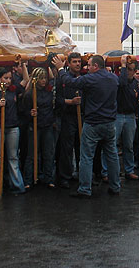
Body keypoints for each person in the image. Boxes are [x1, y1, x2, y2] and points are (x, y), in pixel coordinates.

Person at [51, 54, 121, 198]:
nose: (86, 67)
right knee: (112, 155)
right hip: (109, 122)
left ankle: (84, 188)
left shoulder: (91, 78)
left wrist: (60, 69)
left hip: (93, 122)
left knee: (86, 156)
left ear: (95, 66)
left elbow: (68, 81)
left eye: (89, 65)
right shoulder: (113, 78)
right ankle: (115, 186)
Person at [0, 67, 26, 195]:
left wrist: (23, 64)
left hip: (12, 127)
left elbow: (26, 80)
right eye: (5, 78)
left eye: (9, 78)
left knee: (13, 157)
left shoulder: (13, 91)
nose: (8, 81)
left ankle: (17, 185)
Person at [23, 67, 57, 189]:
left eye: (45, 78)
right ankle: (28, 179)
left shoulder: (48, 92)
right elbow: (23, 111)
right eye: (41, 78)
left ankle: (48, 178)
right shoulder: (29, 94)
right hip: (34, 126)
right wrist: (30, 113)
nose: (44, 81)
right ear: (36, 79)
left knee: (48, 153)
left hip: (47, 125)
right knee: (32, 154)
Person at [56, 52, 83, 189]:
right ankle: (65, 176)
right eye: (75, 62)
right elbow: (57, 99)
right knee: (67, 148)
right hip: (68, 116)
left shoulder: (85, 77)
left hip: (82, 116)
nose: (78, 64)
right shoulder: (62, 78)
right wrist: (70, 102)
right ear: (69, 63)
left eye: (79, 61)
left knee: (81, 147)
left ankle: (81, 173)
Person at [114, 56, 139, 180]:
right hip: (118, 115)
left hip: (130, 116)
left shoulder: (137, 84)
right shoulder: (119, 80)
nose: (128, 72)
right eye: (127, 69)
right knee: (112, 144)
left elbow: (138, 99)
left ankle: (129, 170)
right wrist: (123, 66)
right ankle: (110, 170)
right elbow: (123, 83)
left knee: (129, 145)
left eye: (130, 69)